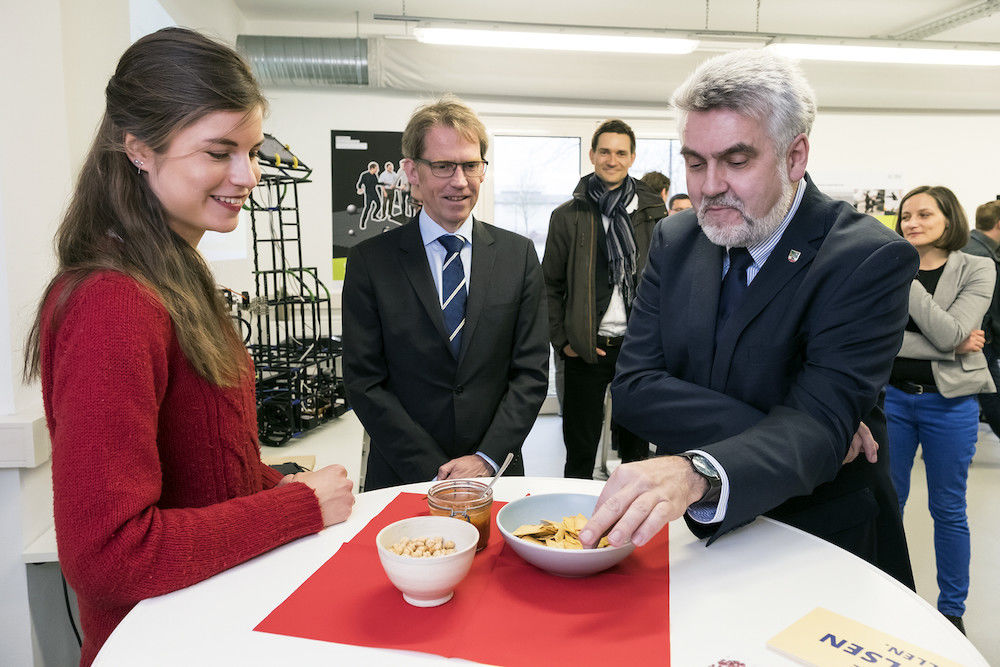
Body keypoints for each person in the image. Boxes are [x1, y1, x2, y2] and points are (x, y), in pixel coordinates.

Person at [21, 28, 355, 666]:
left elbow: (209, 476)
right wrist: (298, 507)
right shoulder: (112, 303)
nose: (248, 176)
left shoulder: (174, 278)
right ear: (139, 149)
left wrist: (280, 486)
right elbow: (111, 555)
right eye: (219, 153)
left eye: (252, 152)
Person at [579, 49, 918, 589]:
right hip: (700, 535)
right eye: (695, 163)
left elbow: (817, 423)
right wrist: (815, 432)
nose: (709, 185)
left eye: (736, 161)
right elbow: (636, 388)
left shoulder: (866, 258)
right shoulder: (676, 239)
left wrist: (704, 467)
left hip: (821, 535)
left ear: (794, 156)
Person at [342, 96, 548, 491]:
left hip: (493, 473)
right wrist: (433, 471)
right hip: (404, 475)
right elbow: (364, 381)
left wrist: (486, 458)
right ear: (412, 172)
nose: (460, 181)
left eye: (471, 165)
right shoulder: (371, 261)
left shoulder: (518, 255)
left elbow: (531, 372)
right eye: (443, 166)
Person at [887, 186, 995, 634]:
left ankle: (952, 610)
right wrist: (950, 344)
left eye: (924, 214)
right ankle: (888, 594)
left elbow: (950, 331)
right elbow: (881, 338)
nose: (911, 223)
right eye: (906, 215)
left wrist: (906, 279)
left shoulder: (978, 267)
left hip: (951, 405)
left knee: (948, 509)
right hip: (893, 400)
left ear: (949, 218)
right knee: (888, 503)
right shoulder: (886, 265)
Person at [543, 120, 667, 478]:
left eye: (621, 153)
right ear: (592, 154)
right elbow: (549, 285)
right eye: (605, 152)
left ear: (632, 158)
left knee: (636, 454)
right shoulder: (567, 216)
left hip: (638, 351)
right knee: (580, 454)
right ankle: (574, 512)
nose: (612, 160)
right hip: (586, 351)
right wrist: (564, 342)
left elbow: (668, 284)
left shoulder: (654, 214)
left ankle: (630, 514)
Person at [962, 200, 1000, 439]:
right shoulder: (985, 258)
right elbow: (990, 313)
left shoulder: (962, 245)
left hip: (965, 339)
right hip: (978, 342)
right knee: (994, 397)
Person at [355, 161, 380, 229]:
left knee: (379, 205)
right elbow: (359, 184)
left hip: (374, 192)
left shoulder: (374, 175)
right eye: (376, 168)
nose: (377, 170)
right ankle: (363, 222)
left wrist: (384, 184)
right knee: (368, 208)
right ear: (372, 168)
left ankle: (374, 215)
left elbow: (377, 183)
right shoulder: (364, 175)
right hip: (368, 194)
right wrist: (359, 188)